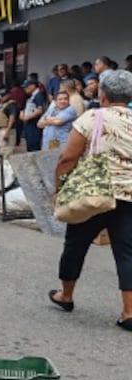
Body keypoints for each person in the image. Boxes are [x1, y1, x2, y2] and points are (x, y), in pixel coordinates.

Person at [48, 69, 132, 330]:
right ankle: (129, 312)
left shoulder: (92, 117)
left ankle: (66, 295)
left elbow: (68, 158)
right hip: (129, 195)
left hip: (93, 193)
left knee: (75, 244)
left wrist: (60, 188)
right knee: (127, 252)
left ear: (103, 94)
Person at [20, 79, 49, 151]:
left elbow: (39, 110)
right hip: (29, 125)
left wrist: (27, 118)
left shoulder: (38, 95)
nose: (25, 89)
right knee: (29, 146)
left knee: (33, 147)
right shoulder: (32, 95)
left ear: (33, 86)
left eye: (27, 87)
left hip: (34, 125)